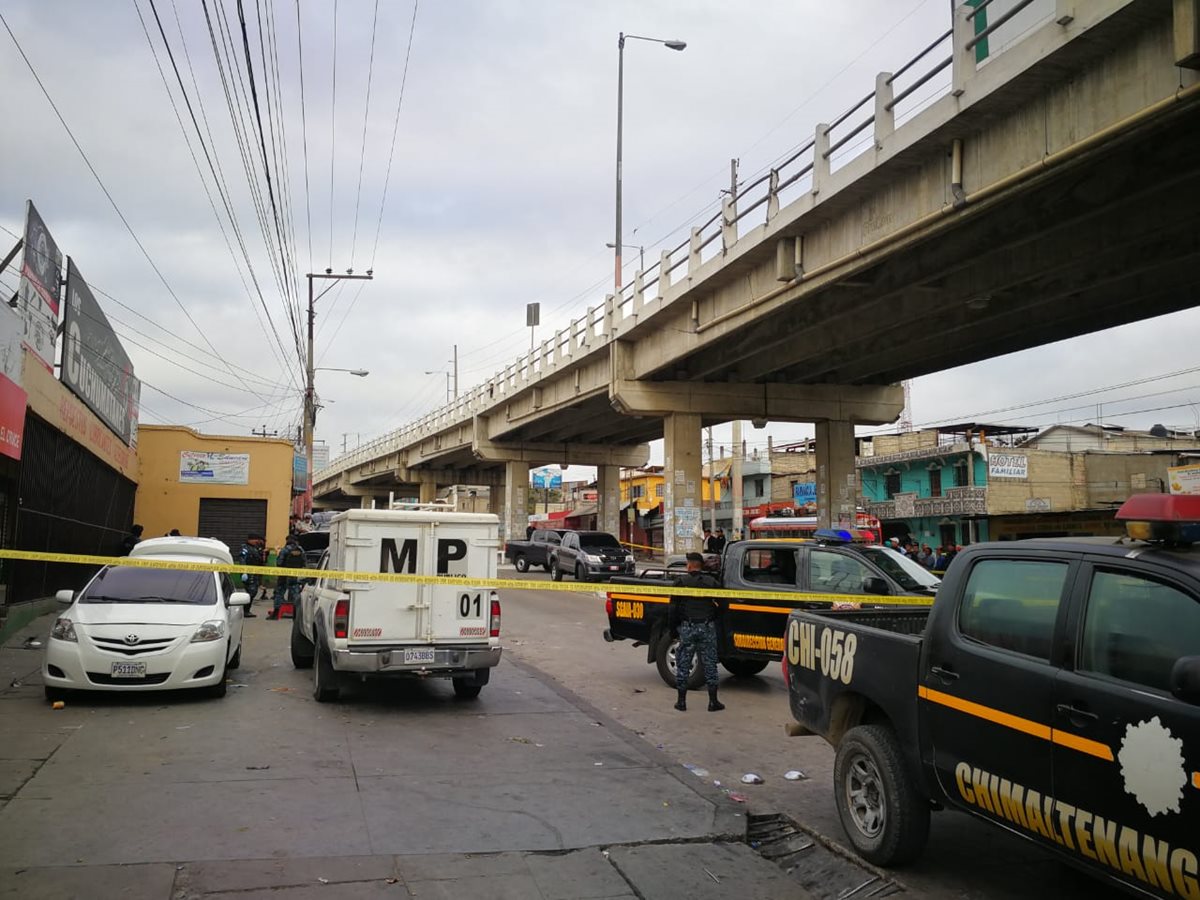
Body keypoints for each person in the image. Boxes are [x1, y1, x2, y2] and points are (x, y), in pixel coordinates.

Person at [668, 552, 725, 713]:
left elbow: (672, 609)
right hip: (707, 627)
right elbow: (723, 605)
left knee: (684, 663)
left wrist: (673, 629)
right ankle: (713, 702)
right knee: (710, 663)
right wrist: (712, 616)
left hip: (688, 627)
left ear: (689, 565)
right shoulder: (711, 582)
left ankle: (681, 702)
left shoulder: (680, 582)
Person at [269, 533, 307, 620]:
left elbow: (279, 563)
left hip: (284, 575)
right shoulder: (301, 549)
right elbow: (304, 562)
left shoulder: (285, 549)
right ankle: (296, 615)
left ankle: (275, 614)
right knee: (295, 595)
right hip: (294, 575)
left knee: (279, 593)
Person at [238, 534, 266, 617]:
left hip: (255, 573)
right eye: (255, 540)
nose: (256, 541)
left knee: (253, 592)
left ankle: (246, 610)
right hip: (248, 573)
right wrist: (244, 572)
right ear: (250, 540)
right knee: (251, 591)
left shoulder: (255, 548)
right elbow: (242, 560)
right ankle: (245, 611)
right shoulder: (245, 548)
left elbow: (259, 560)